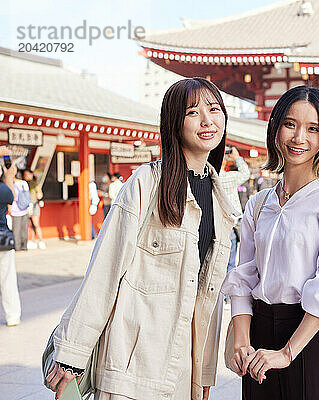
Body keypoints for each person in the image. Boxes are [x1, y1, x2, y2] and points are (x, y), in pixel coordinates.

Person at [45, 77, 237, 400]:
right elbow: (104, 270)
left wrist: (204, 373)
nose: (207, 120)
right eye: (193, 112)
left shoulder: (221, 201)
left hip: (181, 370)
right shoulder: (146, 185)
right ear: (174, 124)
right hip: (131, 368)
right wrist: (70, 353)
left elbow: (208, 298)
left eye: (214, 109)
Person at [221, 86, 319, 400]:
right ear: (275, 129)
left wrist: (287, 353)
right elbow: (244, 278)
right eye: (290, 124)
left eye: (312, 129)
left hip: (311, 338)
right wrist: (241, 342)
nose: (298, 137)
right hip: (259, 341)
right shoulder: (258, 204)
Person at [219, 146, 250, 277]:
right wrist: (237, 157)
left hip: (216, 227)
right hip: (231, 226)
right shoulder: (226, 177)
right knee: (230, 265)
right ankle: (226, 295)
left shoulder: (207, 177)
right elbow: (245, 173)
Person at [0, 162, 21, 326]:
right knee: (7, 278)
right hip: (2, 239)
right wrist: (9, 178)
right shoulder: (3, 189)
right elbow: (12, 198)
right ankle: (12, 316)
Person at [23, 169, 46, 249]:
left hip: (34, 204)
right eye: (25, 175)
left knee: (36, 224)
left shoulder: (35, 183)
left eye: (28, 174)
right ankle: (32, 240)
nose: (26, 176)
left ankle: (41, 240)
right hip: (26, 205)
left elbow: (40, 194)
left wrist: (38, 195)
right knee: (30, 225)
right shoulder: (23, 183)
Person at [10, 172, 30, 251]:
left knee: (16, 230)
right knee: (24, 229)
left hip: (16, 210)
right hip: (25, 209)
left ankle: (17, 247)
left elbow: (13, 198)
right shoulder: (24, 183)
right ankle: (24, 246)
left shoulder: (13, 185)